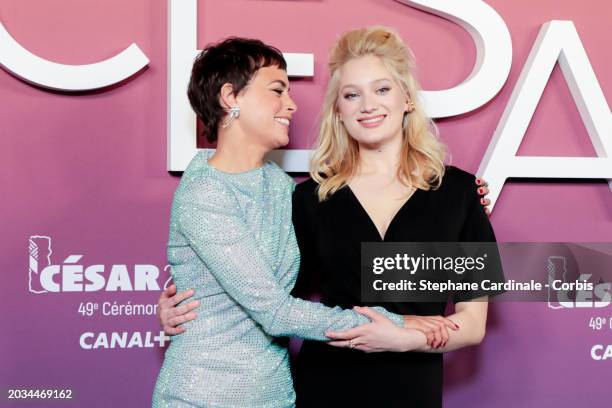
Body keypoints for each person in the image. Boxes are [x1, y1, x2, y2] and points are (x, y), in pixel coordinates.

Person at [157, 28, 501, 407]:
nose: (368, 105)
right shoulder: (309, 196)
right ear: (339, 110)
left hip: (412, 389)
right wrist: (189, 303)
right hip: (324, 387)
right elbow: (268, 293)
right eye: (352, 95)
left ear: (407, 98)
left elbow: (473, 324)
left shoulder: (461, 193)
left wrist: (405, 338)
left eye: (382, 90)